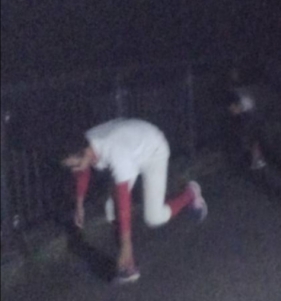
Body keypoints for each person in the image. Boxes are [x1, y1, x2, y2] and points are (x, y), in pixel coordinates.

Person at [62, 118, 208, 284]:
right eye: (71, 167)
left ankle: (190, 193)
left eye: (75, 165)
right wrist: (79, 205)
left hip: (153, 151)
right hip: (132, 149)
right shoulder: (85, 144)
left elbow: (123, 201)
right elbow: (82, 170)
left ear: (86, 152)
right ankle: (129, 265)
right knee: (111, 208)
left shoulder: (114, 153)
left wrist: (126, 245)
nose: (74, 170)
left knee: (154, 217)